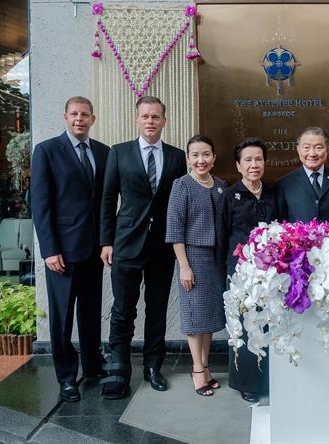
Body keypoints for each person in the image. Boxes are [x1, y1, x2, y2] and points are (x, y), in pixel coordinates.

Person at [99, 96, 187, 399]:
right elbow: (108, 199)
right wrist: (106, 241)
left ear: (164, 121)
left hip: (162, 245)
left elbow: (179, 203)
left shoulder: (177, 157)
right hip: (125, 243)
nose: (150, 121)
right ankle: (118, 370)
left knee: (157, 309)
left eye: (156, 117)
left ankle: (153, 367)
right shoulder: (119, 152)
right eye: (145, 116)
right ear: (137, 119)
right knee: (123, 309)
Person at [31, 96, 110, 402]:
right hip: (62, 252)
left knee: (90, 313)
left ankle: (93, 365)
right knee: (62, 317)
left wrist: (106, 242)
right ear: (65, 116)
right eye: (74, 114)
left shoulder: (103, 152)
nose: (79, 119)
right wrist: (49, 249)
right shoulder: (47, 151)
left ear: (93, 119)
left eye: (85, 114)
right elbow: (40, 205)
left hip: (93, 250)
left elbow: (104, 202)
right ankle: (66, 377)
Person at [166, 135, 227, 397]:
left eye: (206, 154)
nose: (201, 160)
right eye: (195, 155)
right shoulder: (182, 185)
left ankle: (206, 367)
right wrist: (184, 266)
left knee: (209, 316)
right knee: (194, 317)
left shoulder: (221, 185)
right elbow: (175, 229)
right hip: (192, 257)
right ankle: (197, 370)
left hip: (216, 259)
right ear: (188, 159)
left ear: (214, 157)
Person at [219, 137, 276, 404]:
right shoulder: (229, 196)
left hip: (271, 273)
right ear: (239, 165)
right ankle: (247, 382)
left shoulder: (273, 193)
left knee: (268, 323)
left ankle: (270, 379)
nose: (254, 165)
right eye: (248, 160)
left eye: (259, 159)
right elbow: (222, 237)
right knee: (244, 326)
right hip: (240, 273)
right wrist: (225, 272)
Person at [275, 127, 329, 223]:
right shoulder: (284, 185)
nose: (312, 154)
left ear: (327, 150)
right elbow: (280, 224)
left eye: (318, 147)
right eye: (306, 147)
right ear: (298, 150)